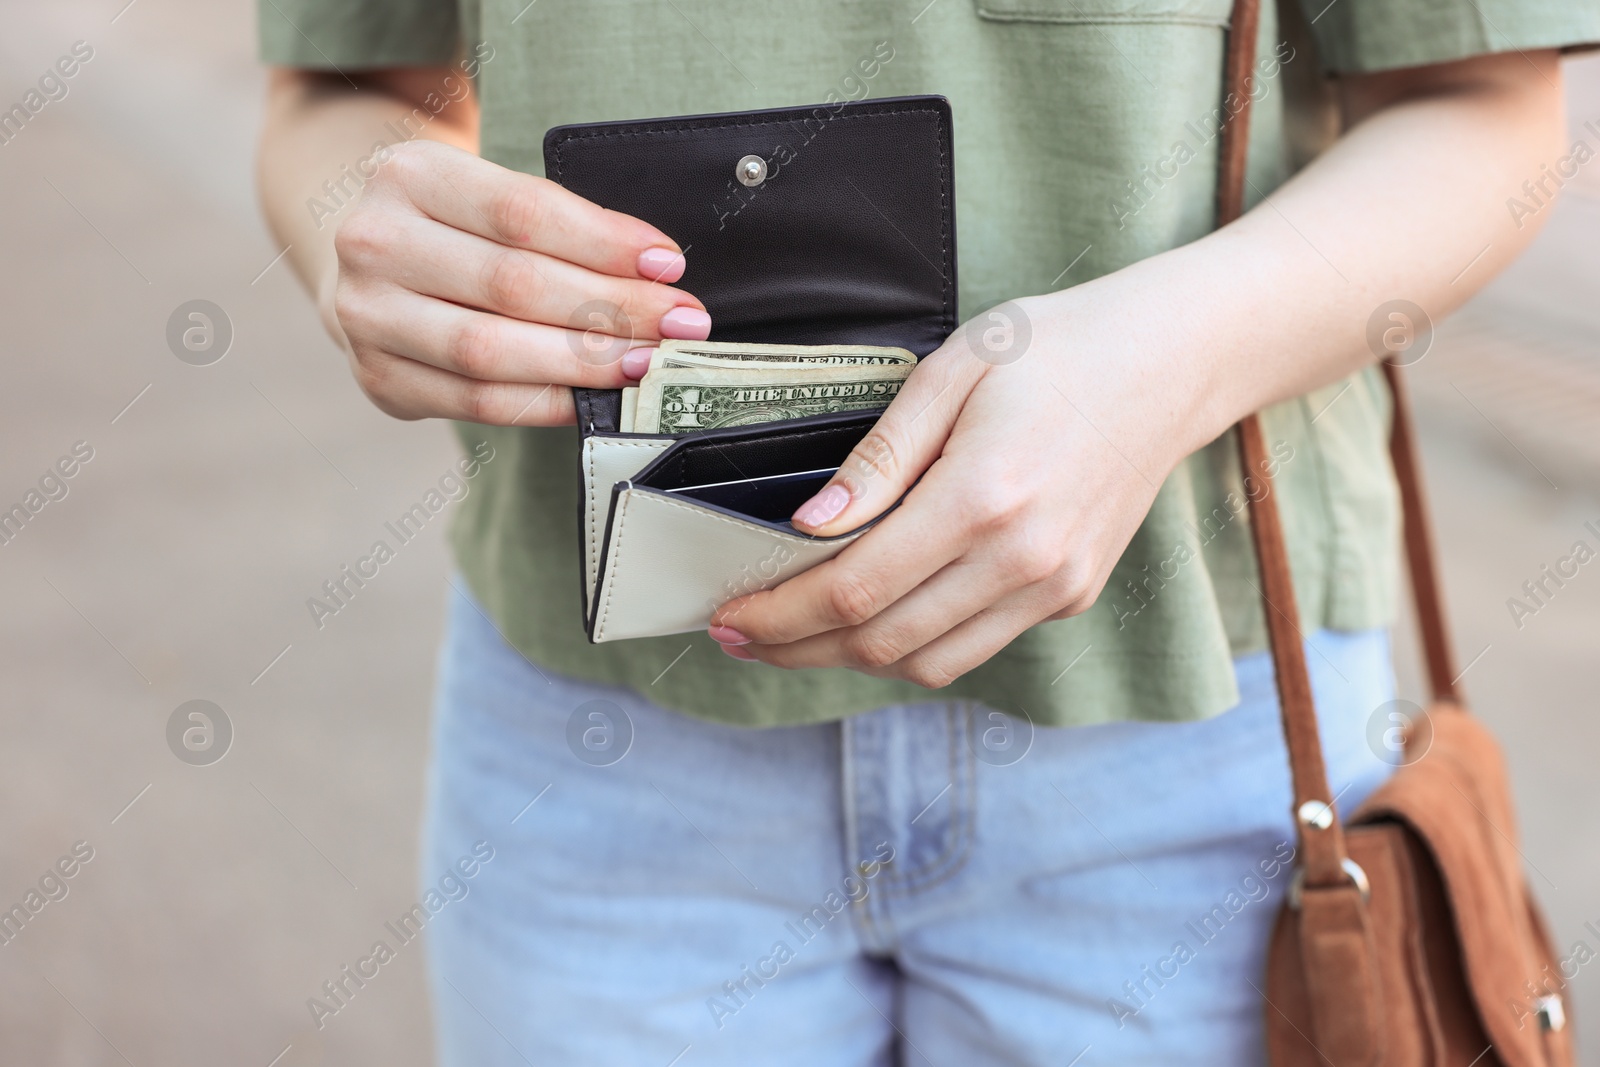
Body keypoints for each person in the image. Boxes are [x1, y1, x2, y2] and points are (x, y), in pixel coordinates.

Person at [257, 1, 1596, 1063]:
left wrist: (1163, 363)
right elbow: (342, 80)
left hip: (1187, 733)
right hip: (605, 769)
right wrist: (361, 237)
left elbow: (1483, 105)